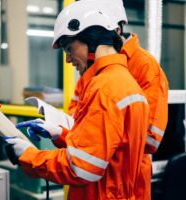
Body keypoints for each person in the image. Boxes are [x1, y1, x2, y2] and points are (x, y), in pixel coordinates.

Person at [5, 1, 150, 199]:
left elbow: (82, 167)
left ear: (91, 39)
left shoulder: (105, 88)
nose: (67, 59)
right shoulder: (124, 82)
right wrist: (60, 134)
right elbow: (105, 152)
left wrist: (29, 155)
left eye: (68, 49)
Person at [66, 1, 168, 199]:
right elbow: (77, 113)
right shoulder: (92, 67)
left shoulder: (145, 66)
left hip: (126, 180)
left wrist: (101, 138)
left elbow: (149, 139)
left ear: (116, 29)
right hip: (90, 171)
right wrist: (70, 133)